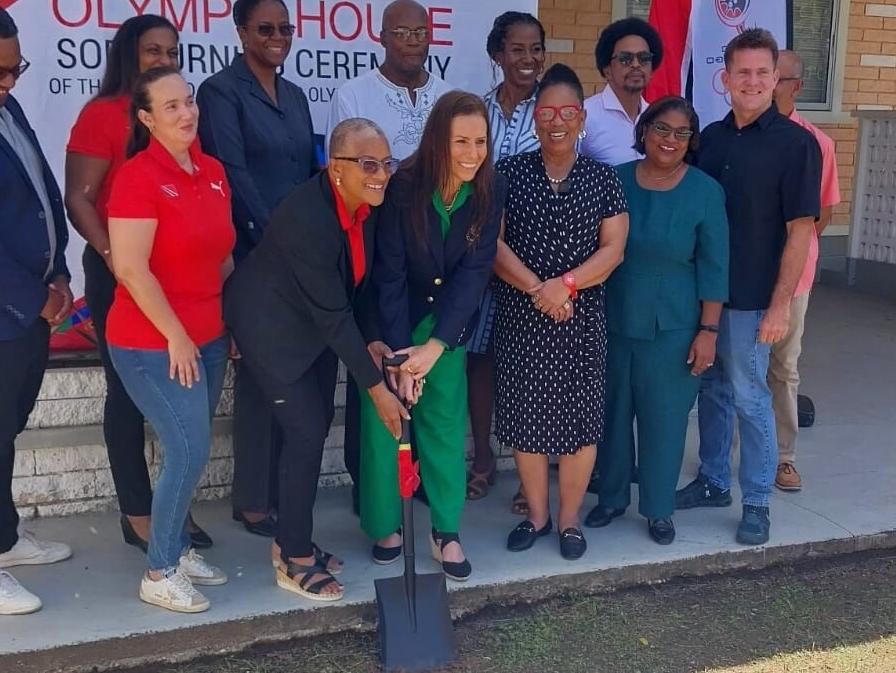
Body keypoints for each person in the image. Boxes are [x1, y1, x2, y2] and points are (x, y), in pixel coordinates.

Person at [224, 118, 408, 602]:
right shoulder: (308, 218)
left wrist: (373, 340)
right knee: (305, 430)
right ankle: (294, 557)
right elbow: (332, 314)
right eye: (368, 164)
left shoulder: (367, 208)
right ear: (335, 168)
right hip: (271, 328)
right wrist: (377, 391)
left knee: (314, 424)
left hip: (314, 326)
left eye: (386, 163)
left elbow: (357, 288)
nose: (381, 174)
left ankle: (295, 538)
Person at [65, 15, 214, 553]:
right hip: (119, 273)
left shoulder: (176, 116)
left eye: (171, 51)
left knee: (186, 410)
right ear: (129, 53)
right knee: (127, 397)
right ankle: (137, 513)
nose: (164, 59)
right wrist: (112, 256)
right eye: (153, 51)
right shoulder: (103, 115)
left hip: (177, 279)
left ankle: (175, 511)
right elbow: (79, 197)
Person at [675, 29, 821, 546]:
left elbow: (801, 231)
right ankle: (714, 480)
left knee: (749, 396)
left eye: (763, 72)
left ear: (776, 78)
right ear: (726, 78)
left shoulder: (797, 144)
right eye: (743, 73)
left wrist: (780, 305)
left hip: (756, 299)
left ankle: (756, 499)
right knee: (711, 391)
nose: (753, 81)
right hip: (706, 295)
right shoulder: (710, 139)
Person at [359, 92, 504, 582]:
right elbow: (390, 272)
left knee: (443, 425)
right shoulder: (403, 187)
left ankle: (445, 530)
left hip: (446, 327)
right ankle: (385, 526)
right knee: (387, 425)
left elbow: (475, 272)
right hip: (393, 322)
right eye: (460, 140)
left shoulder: (489, 189)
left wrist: (437, 346)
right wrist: (401, 359)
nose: (471, 152)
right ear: (439, 140)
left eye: (480, 141)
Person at [106, 66, 234, 613]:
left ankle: (178, 551)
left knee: (189, 450)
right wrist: (177, 336)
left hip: (208, 336)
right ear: (146, 118)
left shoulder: (212, 170)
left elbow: (223, 256)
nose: (186, 114)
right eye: (171, 107)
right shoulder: (136, 177)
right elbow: (132, 269)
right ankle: (159, 570)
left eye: (189, 102)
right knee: (188, 446)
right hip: (150, 341)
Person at [495, 64, 628, 561]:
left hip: (582, 317)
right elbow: (493, 243)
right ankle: (537, 515)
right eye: (546, 111)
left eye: (567, 111)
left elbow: (613, 250)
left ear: (581, 118)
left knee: (578, 423)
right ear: (534, 118)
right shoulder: (508, 174)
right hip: (524, 315)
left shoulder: (602, 178)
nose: (557, 121)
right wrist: (539, 289)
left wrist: (566, 285)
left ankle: (569, 520)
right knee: (527, 423)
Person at [197, 0, 318, 537]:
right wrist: (276, 241)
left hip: (301, 255)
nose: (277, 37)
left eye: (284, 29)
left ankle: (282, 491)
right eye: (265, 28)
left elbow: (307, 171)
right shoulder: (220, 92)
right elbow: (231, 173)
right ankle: (251, 498)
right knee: (259, 376)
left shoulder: (293, 95)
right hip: (252, 256)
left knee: (295, 371)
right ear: (242, 31)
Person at [586, 97, 729, 545]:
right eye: (661, 129)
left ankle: (659, 508)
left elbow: (715, 266)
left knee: (663, 418)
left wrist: (708, 332)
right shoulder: (614, 180)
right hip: (611, 314)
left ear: (692, 141)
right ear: (643, 131)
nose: (670, 140)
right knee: (611, 413)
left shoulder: (705, 190)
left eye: (681, 133)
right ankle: (609, 497)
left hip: (675, 325)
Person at [0, 8, 74, 615]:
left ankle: (5, 537)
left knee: (7, 428)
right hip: (10, 308)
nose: (10, 82)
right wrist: (35, 297)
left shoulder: (8, 107)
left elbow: (44, 192)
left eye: (16, 68)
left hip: (28, 312)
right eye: (0, 72)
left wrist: (60, 274)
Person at [466, 11, 545, 514]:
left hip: (535, 258)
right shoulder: (476, 112)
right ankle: (483, 460)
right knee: (478, 361)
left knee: (526, 365)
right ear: (497, 55)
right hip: (477, 252)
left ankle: (527, 473)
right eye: (517, 49)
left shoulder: (552, 111)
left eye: (535, 48)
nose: (528, 58)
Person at [769, 50, 841, 492]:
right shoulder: (733, 135)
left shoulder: (818, 143)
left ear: (796, 86)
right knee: (733, 369)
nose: (769, 83)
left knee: (784, 367)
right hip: (743, 274)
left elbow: (822, 216)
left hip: (794, 277)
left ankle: (784, 457)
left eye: (779, 77)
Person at [325, 0, 453, 161]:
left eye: (421, 33)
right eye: (401, 33)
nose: (413, 42)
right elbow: (341, 169)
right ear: (383, 39)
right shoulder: (351, 96)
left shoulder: (449, 97)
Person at [581, 17, 663, 167]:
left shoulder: (657, 118)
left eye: (644, 58)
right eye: (626, 59)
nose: (636, 65)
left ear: (651, 70)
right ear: (607, 71)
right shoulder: (585, 116)